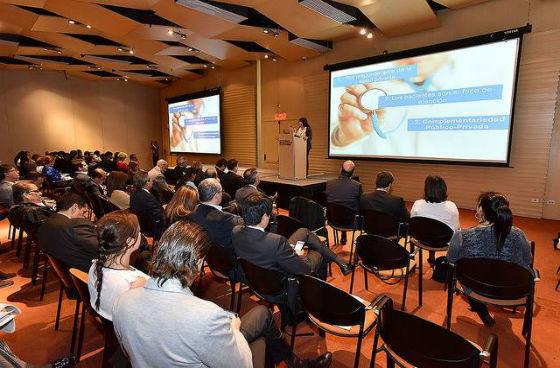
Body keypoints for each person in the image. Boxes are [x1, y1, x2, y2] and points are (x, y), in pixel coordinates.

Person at [112, 221, 332, 368]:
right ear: (197, 262)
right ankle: (296, 363)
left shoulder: (122, 301)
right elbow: (242, 363)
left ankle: (292, 362)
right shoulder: (205, 316)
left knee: (263, 313)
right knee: (261, 319)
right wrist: (233, 329)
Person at [447, 192, 533, 326]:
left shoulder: (462, 236)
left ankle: (479, 307)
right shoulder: (519, 235)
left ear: (481, 210)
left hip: (475, 287)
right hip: (511, 290)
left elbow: (451, 260)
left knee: (464, 273)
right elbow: (527, 261)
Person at [233, 192, 352, 280]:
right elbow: (303, 269)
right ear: (264, 217)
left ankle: (340, 261)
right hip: (280, 283)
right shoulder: (276, 241)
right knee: (319, 253)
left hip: (259, 274)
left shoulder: (236, 231)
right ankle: (316, 294)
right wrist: (297, 256)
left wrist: (288, 252)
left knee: (304, 232)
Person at [88, 210, 148, 321]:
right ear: (130, 242)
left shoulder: (95, 266)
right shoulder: (136, 284)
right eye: (139, 231)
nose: (141, 234)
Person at [38, 192, 98, 272]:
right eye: (83, 212)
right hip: (84, 273)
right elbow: (99, 248)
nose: (84, 216)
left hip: (65, 270)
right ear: (75, 207)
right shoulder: (74, 226)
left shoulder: (46, 223)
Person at [411, 175, 460, 263]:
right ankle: (451, 262)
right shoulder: (451, 206)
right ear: (444, 189)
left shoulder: (417, 204)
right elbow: (456, 229)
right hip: (443, 241)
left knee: (429, 227)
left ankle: (430, 256)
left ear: (426, 189)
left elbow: (412, 223)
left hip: (422, 238)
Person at [190, 179, 243, 254]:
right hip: (228, 261)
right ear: (217, 196)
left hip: (206, 254)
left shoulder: (194, 209)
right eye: (221, 192)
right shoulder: (227, 219)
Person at [324, 160, 361, 244]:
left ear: (340, 169)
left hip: (333, 220)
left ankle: (343, 234)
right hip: (350, 222)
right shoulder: (356, 185)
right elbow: (359, 203)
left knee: (340, 207)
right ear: (353, 172)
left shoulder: (329, 183)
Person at [129, 172, 165, 236]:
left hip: (141, 225)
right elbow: (160, 215)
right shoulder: (148, 197)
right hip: (151, 228)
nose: (152, 181)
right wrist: (164, 208)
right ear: (147, 183)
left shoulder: (134, 193)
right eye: (150, 179)